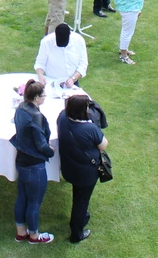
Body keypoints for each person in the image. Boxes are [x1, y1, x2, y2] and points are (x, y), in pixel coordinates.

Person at [56, 95, 107, 244]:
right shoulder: (89, 128)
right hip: (85, 174)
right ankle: (76, 234)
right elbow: (103, 145)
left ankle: (80, 218)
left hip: (68, 168)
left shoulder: (62, 117)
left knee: (79, 197)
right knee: (81, 202)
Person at [11, 79, 55, 245]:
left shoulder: (21, 108)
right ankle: (34, 236)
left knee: (22, 197)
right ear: (36, 98)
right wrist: (51, 151)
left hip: (21, 161)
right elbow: (41, 144)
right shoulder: (36, 116)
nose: (45, 97)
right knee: (34, 202)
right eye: (43, 95)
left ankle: (21, 233)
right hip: (34, 166)